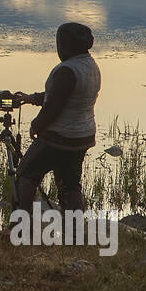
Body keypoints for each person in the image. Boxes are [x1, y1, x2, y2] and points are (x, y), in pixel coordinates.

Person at [11, 22, 100, 215]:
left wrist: (36, 125)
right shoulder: (89, 65)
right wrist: (32, 98)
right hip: (82, 136)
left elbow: (54, 106)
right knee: (70, 185)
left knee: (26, 174)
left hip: (60, 136)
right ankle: (74, 232)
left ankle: (20, 227)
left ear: (66, 45)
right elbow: (63, 95)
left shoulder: (67, 70)